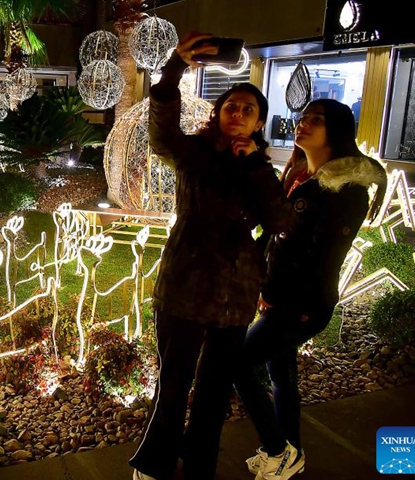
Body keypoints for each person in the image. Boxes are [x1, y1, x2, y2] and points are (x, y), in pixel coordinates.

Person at [129, 31, 294, 480]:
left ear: (259, 121)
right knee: (174, 383)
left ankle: (200, 465)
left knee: (215, 391)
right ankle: (156, 462)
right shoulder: (194, 153)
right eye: (231, 106)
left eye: (248, 109)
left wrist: (256, 165)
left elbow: (279, 222)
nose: (238, 114)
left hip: (235, 294)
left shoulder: (261, 166)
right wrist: (174, 69)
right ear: (219, 113)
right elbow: (161, 131)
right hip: (185, 284)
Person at [233, 99, 387, 480]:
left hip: (302, 304)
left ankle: (277, 449)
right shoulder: (304, 175)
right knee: (282, 375)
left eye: (315, 121)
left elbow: (321, 257)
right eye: (302, 119)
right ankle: (293, 453)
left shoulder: (345, 191)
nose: (302, 125)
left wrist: (274, 291)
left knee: (237, 365)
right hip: (285, 298)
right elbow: (279, 236)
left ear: (336, 131)